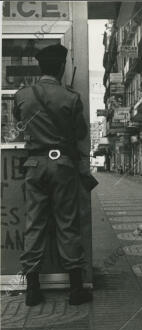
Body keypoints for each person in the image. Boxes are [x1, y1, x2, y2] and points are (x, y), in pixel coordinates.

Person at [13, 43, 92, 306]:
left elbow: (18, 122)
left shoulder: (23, 95)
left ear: (40, 67)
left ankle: (33, 289)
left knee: (34, 223)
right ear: (61, 67)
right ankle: (76, 289)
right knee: (66, 223)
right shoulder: (70, 97)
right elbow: (80, 133)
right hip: (62, 165)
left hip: (34, 165)